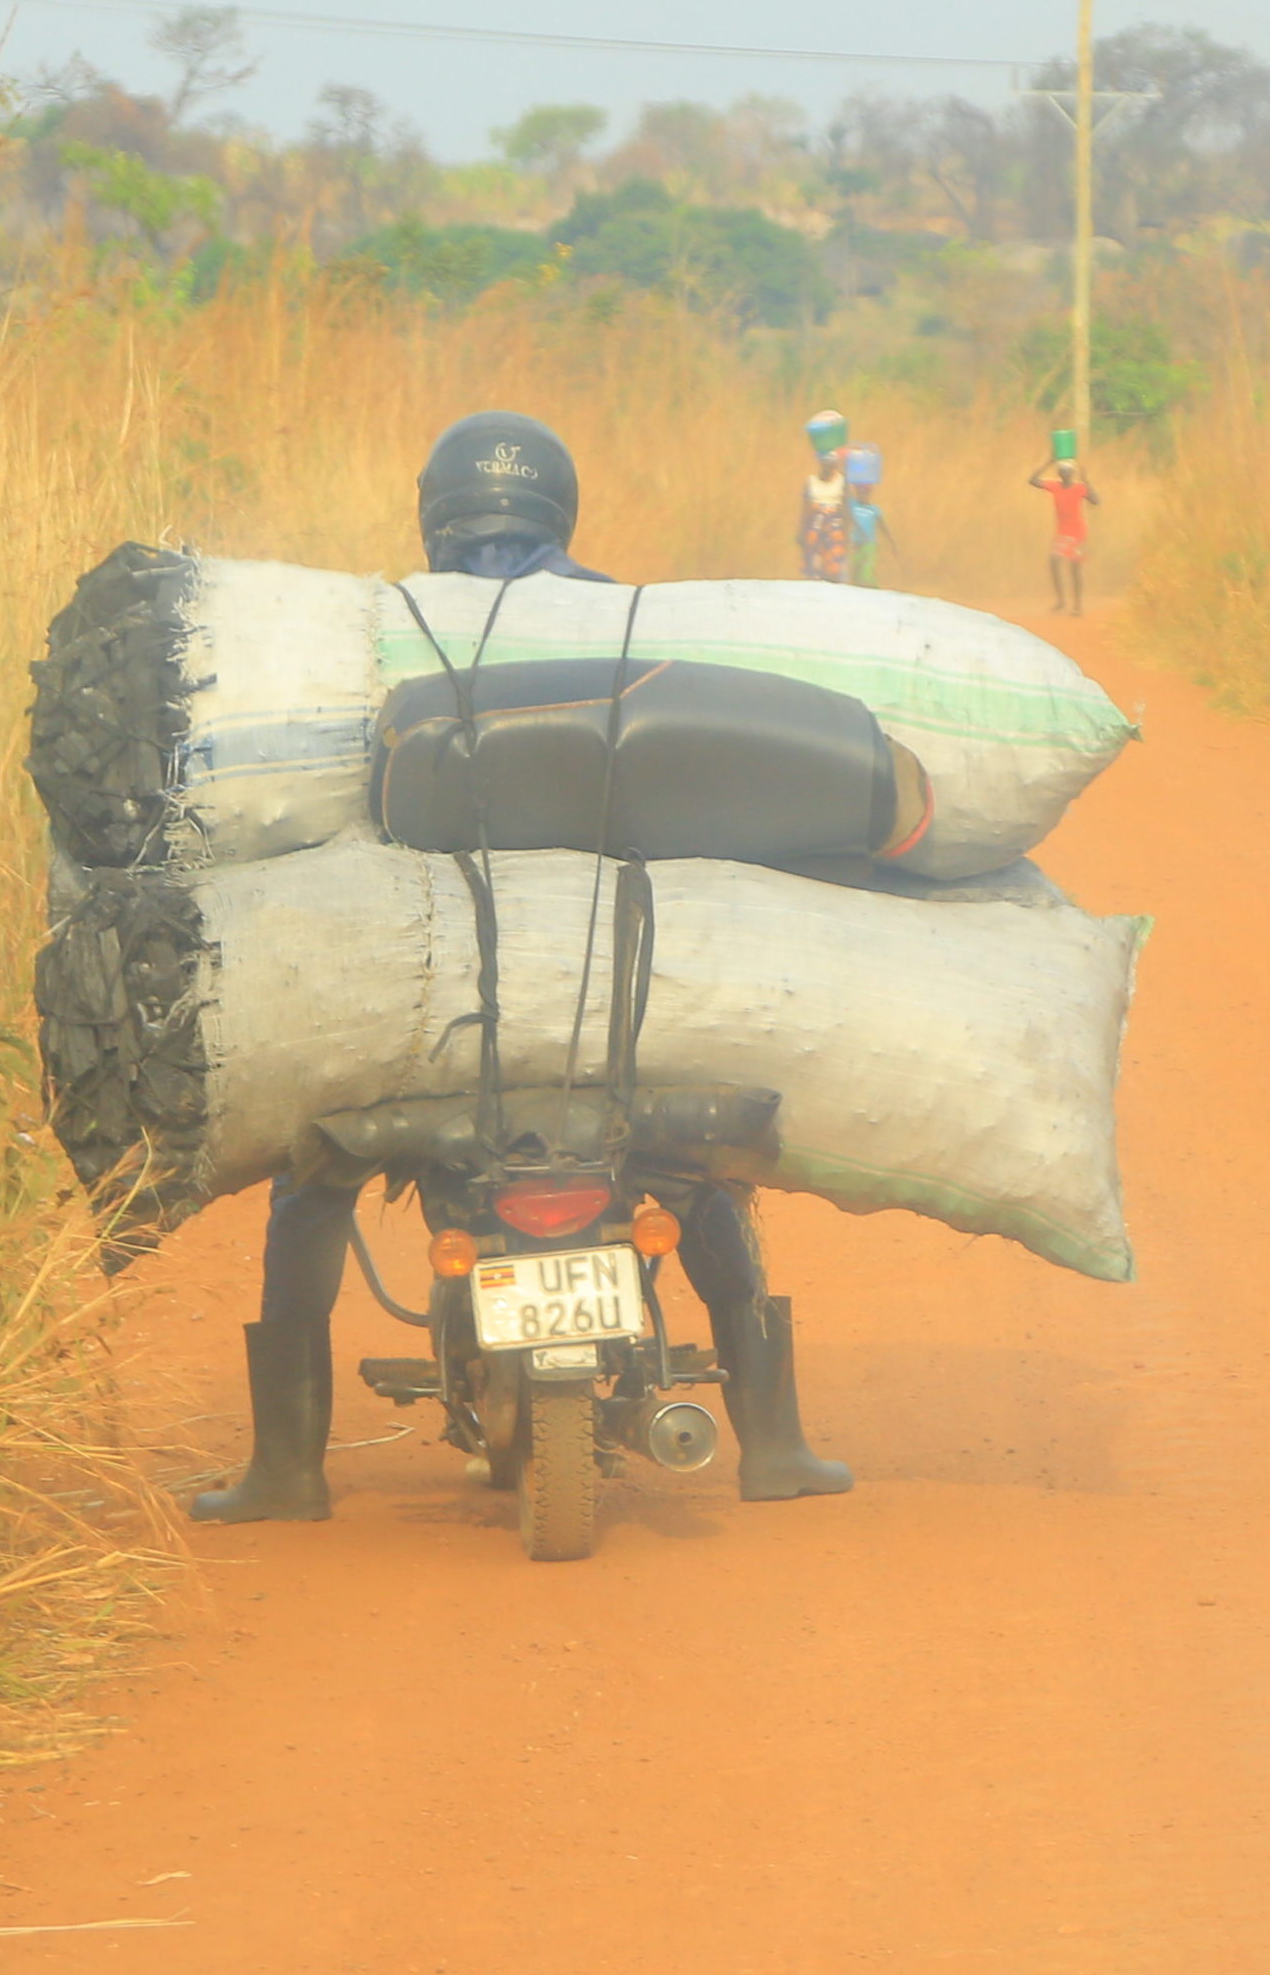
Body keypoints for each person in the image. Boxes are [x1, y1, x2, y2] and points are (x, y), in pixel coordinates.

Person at [193, 408, 853, 1524]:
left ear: (436, 512)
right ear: (561, 505)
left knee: (311, 1183)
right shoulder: (624, 622)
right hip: (612, 1002)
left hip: (423, 1015)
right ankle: (775, 1442)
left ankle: (288, 1467)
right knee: (695, 1176)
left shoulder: (386, 628)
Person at [1028, 446, 1099, 616]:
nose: (1064, 474)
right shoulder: (1055, 486)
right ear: (1059, 473)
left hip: (1078, 534)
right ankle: (1060, 600)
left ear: (1072, 473)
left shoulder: (1080, 488)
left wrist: (1086, 480)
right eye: (1062, 471)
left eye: (1067, 471)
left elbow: (1095, 501)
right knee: (1054, 561)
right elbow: (1032, 480)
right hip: (1062, 533)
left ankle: (1077, 606)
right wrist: (1048, 462)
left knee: (1075, 568)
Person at [798, 410, 854, 583]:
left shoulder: (842, 481)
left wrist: (847, 533)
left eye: (831, 463)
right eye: (825, 463)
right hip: (815, 530)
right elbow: (805, 511)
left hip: (834, 530)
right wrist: (801, 533)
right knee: (815, 570)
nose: (828, 466)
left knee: (834, 572)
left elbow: (846, 510)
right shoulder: (811, 482)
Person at [843, 441, 884, 587]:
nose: (863, 493)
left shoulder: (874, 509)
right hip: (856, 544)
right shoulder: (852, 504)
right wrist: (846, 466)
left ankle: (874, 588)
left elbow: (883, 527)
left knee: (866, 571)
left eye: (865, 491)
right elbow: (844, 491)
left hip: (870, 544)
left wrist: (892, 544)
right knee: (855, 569)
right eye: (860, 491)